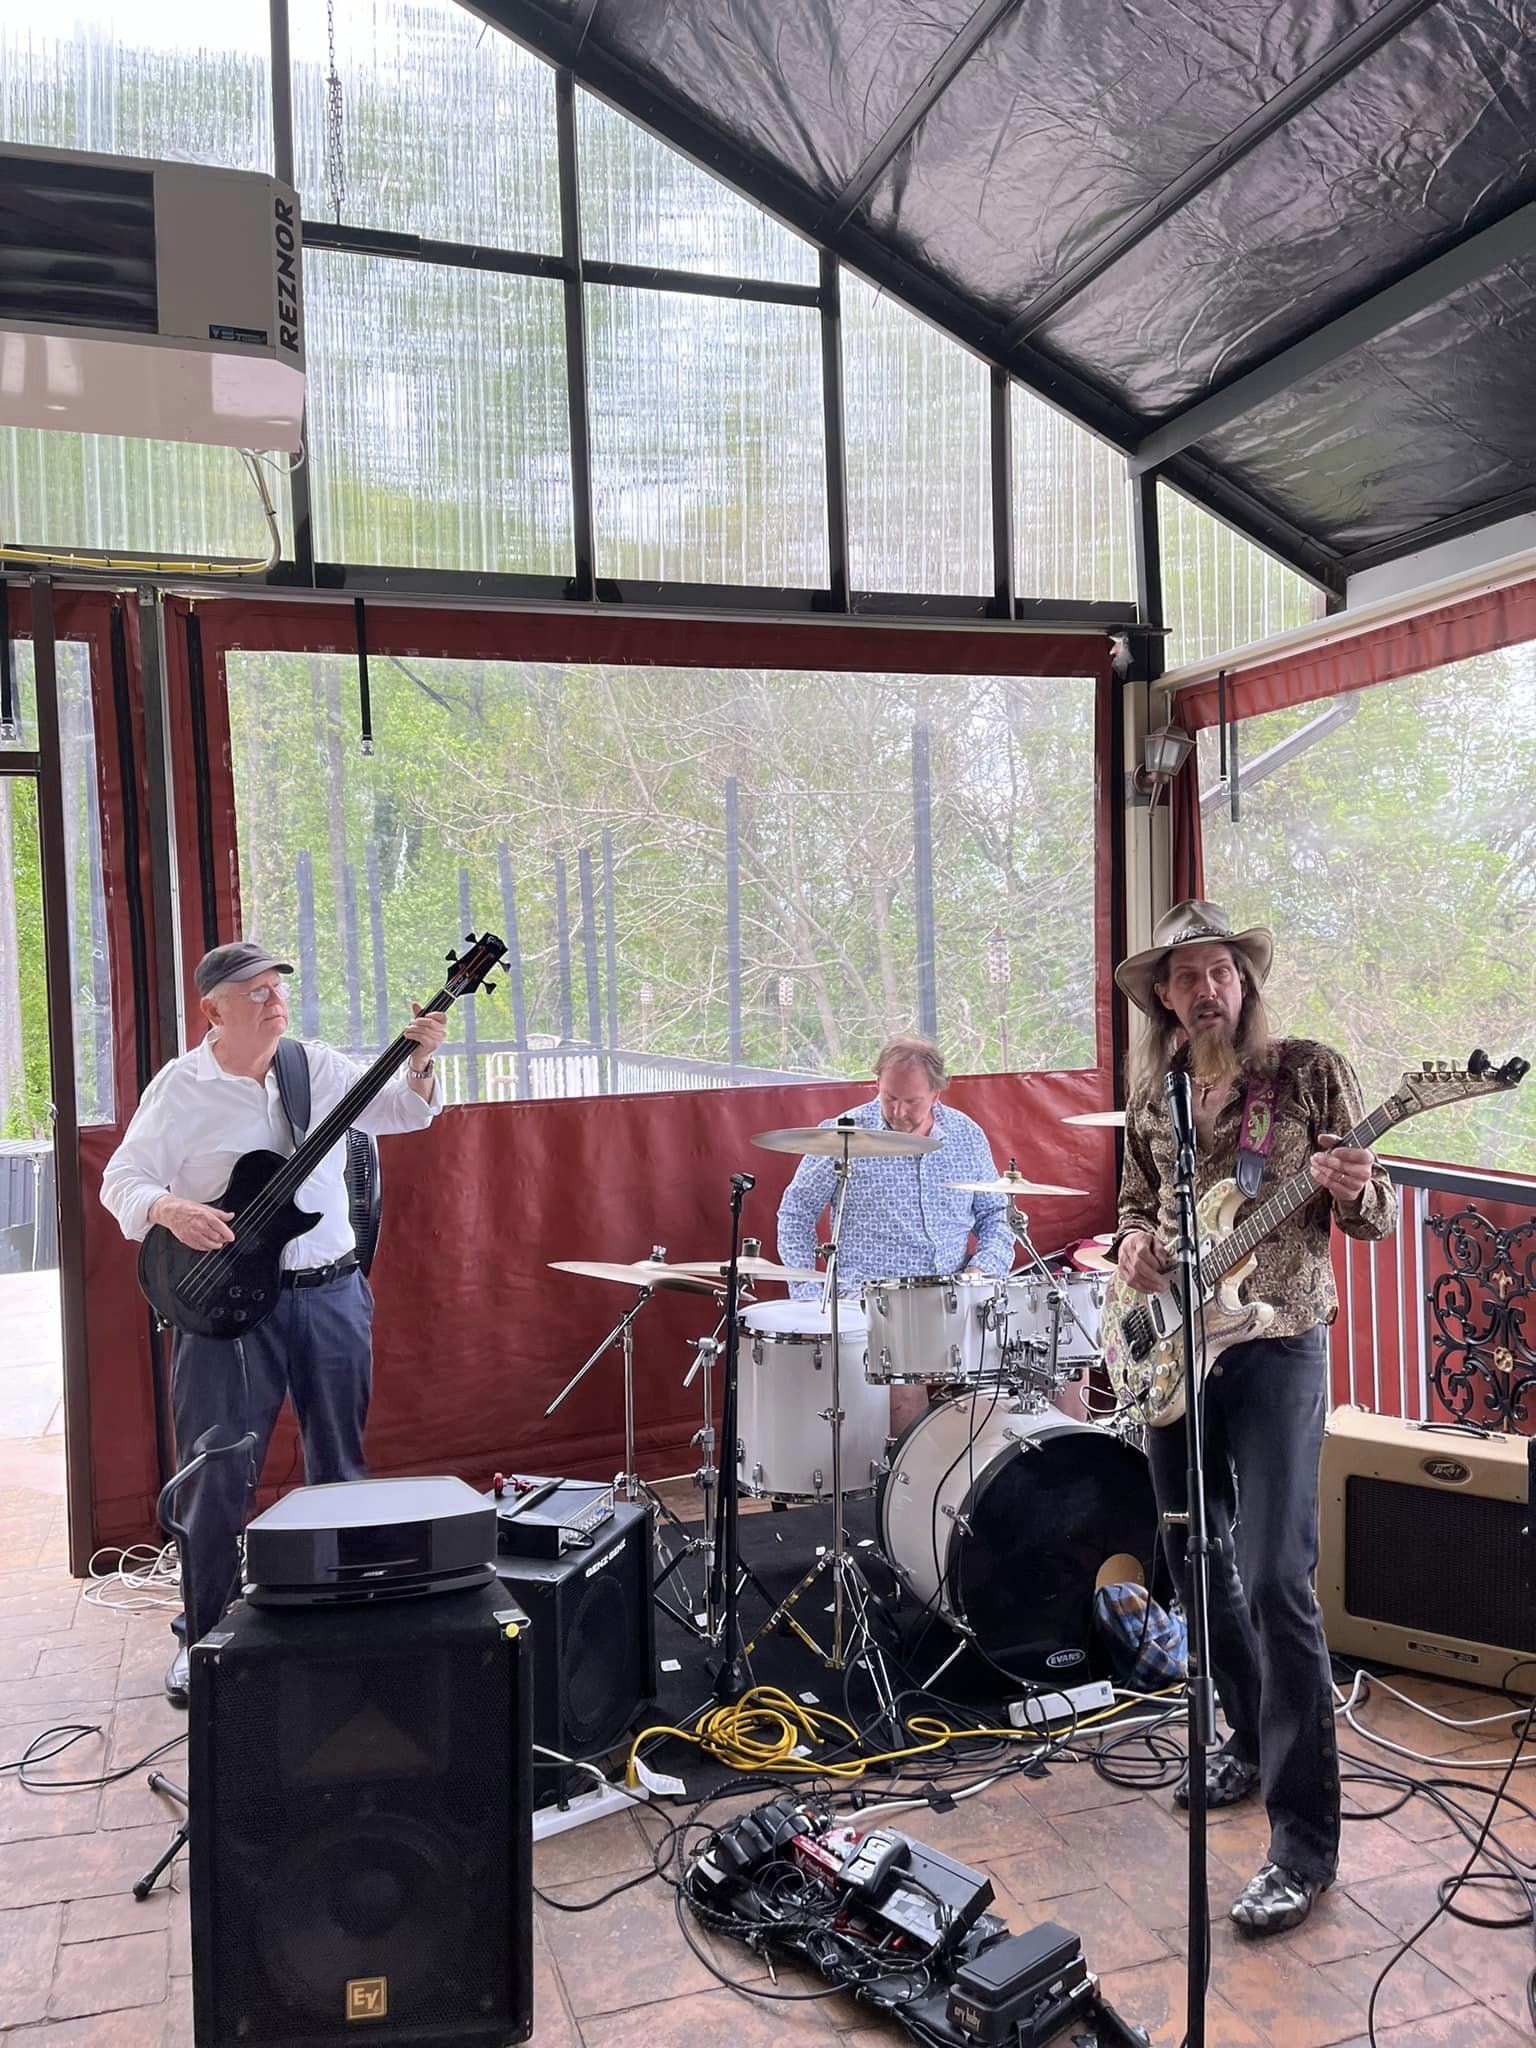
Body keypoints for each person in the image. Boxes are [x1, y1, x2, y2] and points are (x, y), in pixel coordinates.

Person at [1112, 900, 1396, 1936]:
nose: (1207, 989)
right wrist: (1133, 1246)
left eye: (1221, 971)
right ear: (1164, 996)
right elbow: (1135, 1204)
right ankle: (1242, 1734)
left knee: (1276, 1575)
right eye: (1187, 975)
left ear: (1244, 982)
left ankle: (1302, 1847)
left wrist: (1356, 1187)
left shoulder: (1308, 1073)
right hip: (1177, 1351)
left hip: (1278, 1343)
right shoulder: (1156, 1095)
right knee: (1193, 1558)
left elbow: (1372, 1216)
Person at [101, 941, 447, 1703]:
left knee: (339, 1466)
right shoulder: (181, 1088)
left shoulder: (314, 1067)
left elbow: (405, 1112)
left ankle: (343, 1621)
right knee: (216, 1474)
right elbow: (121, 1179)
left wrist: (421, 1061)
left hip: (330, 1294)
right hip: (227, 1305)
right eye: (254, 993)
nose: (274, 1001)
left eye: (277, 988)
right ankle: (205, 1637)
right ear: (212, 1010)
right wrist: (169, 1208)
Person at [776, 1036, 1015, 1432]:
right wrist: (807, 1293)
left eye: (911, 1101)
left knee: (1042, 1355)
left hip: (957, 1297)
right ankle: (909, 1471)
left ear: (936, 1092)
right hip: (873, 1306)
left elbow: (997, 1215)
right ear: (877, 1083)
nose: (898, 1111)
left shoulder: (966, 1135)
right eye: (889, 1097)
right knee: (903, 1383)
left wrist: (982, 1270)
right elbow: (795, 1213)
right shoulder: (842, 1135)